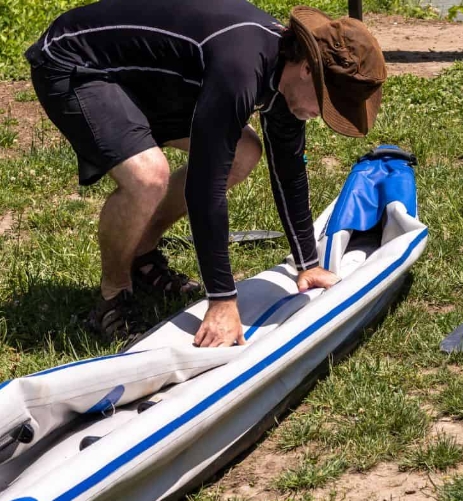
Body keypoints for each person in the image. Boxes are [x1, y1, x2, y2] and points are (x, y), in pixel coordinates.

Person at [25, 0, 387, 347]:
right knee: (148, 176)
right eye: (325, 104)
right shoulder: (240, 65)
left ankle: (142, 255)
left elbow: (288, 171)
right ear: (308, 68)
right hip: (75, 62)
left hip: (143, 77)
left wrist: (307, 262)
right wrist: (222, 299)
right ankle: (112, 297)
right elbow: (205, 186)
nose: (320, 115)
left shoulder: (283, 71)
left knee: (244, 153)